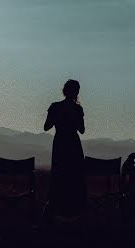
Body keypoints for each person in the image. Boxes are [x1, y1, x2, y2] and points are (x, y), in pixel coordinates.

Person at [44, 79, 86, 220]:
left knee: (59, 176)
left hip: (60, 143)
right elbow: (82, 130)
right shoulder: (77, 109)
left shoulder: (55, 107)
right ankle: (73, 211)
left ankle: (56, 210)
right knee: (74, 177)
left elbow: (46, 126)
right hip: (73, 144)